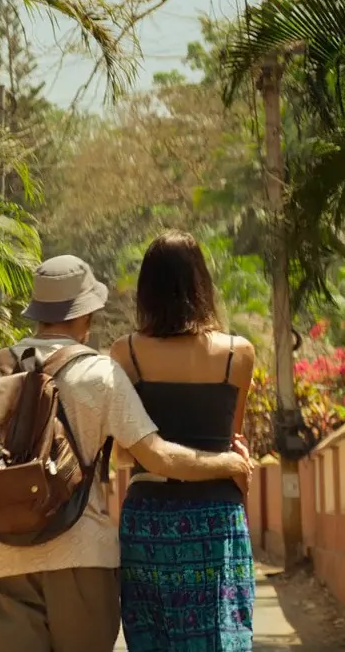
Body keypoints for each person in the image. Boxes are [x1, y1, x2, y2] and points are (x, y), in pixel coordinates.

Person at [0, 255, 255, 652]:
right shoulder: (99, 373)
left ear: (38, 313)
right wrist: (229, 462)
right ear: (86, 314)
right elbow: (158, 456)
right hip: (80, 556)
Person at [109, 233, 259, 651]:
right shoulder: (238, 354)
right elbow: (231, 444)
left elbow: (124, 452)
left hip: (149, 518)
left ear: (147, 290)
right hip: (216, 517)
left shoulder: (125, 354)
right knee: (220, 635)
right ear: (201, 283)